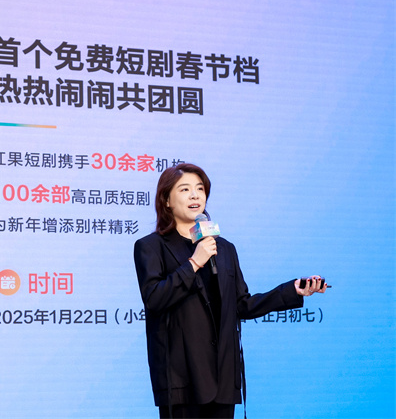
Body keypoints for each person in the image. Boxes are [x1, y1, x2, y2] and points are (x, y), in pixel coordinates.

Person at [133, 163, 327, 419]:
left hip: (223, 376)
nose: (195, 195)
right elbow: (154, 298)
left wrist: (291, 291)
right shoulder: (151, 246)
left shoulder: (224, 248)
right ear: (166, 200)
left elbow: (242, 304)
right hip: (182, 380)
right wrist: (194, 263)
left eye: (200, 189)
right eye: (185, 189)